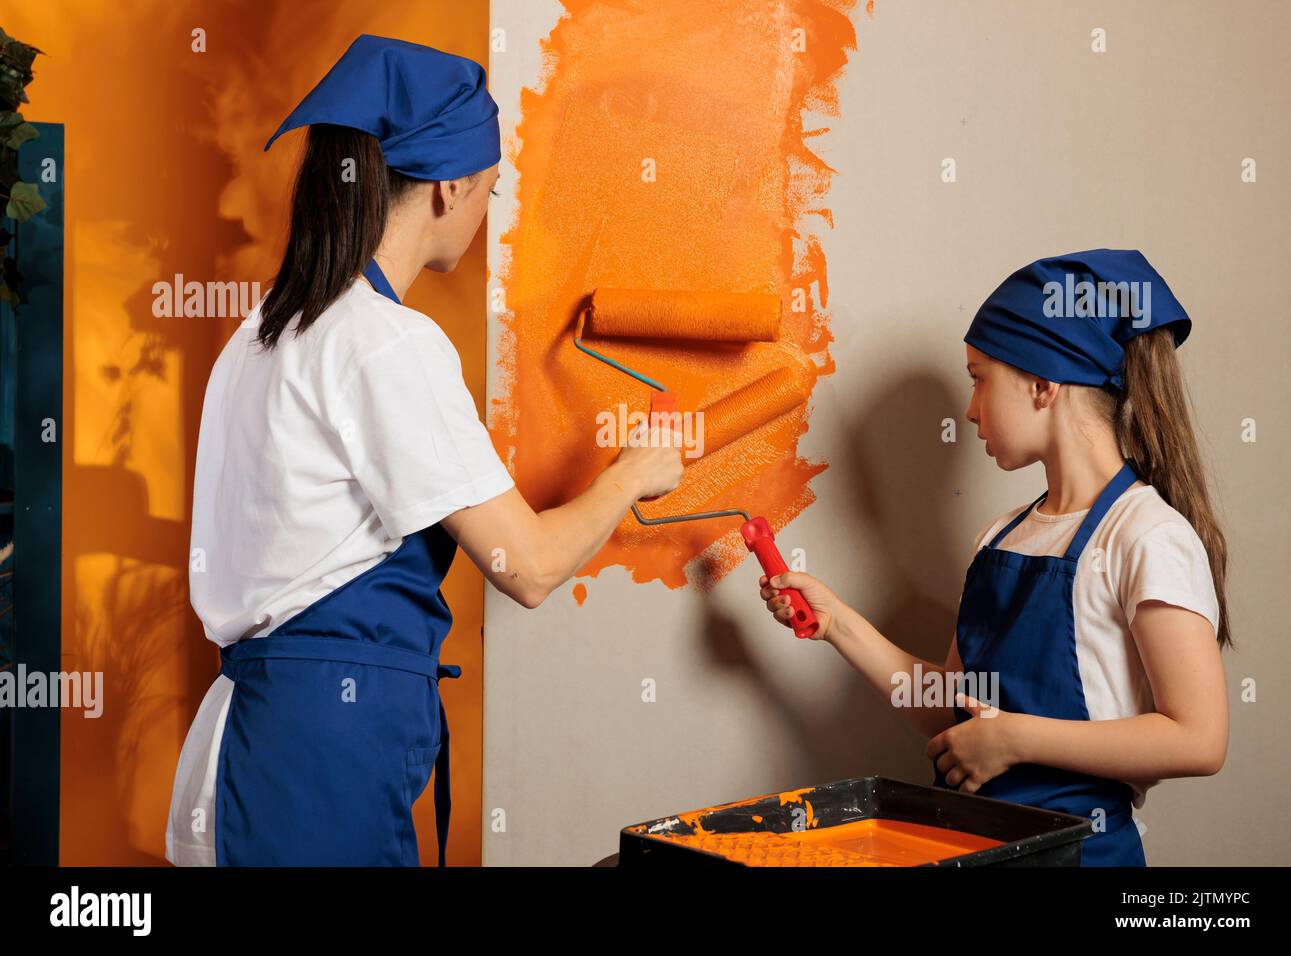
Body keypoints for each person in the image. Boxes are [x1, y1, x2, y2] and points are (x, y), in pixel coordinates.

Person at [165, 35, 682, 866]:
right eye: (492, 189)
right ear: (450, 186)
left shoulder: (259, 335)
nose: (487, 212)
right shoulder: (386, 341)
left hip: (263, 739)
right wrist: (632, 474)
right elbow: (529, 566)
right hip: (321, 757)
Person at [758, 249, 1229, 866]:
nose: (970, 408)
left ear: (1044, 382)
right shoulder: (1001, 537)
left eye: (979, 377)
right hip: (970, 852)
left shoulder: (1144, 535)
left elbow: (1198, 738)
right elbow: (952, 709)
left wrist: (1013, 738)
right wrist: (838, 623)